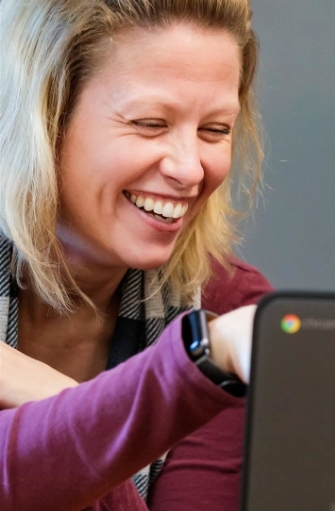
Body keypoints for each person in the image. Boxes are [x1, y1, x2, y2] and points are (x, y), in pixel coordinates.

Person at [0, 0, 266, 509]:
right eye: (149, 123)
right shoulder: (220, 340)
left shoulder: (228, 310)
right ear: (43, 119)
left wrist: (56, 399)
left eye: (215, 130)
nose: (190, 170)